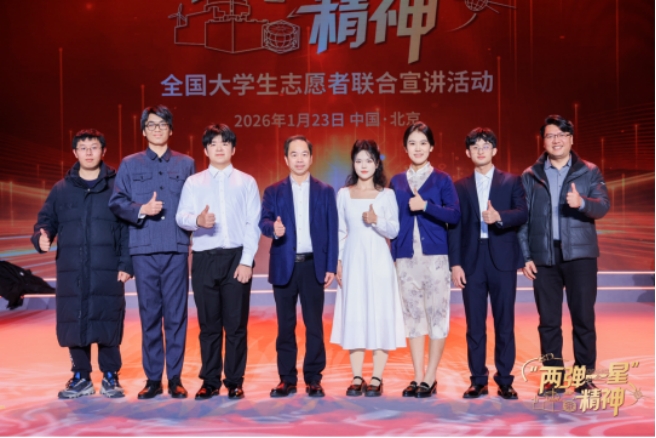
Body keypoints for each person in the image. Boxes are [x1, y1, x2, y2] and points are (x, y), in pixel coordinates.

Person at [31, 129, 132, 399]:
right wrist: (41, 236)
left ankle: (110, 376)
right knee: (74, 320)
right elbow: (45, 222)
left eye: (94, 147)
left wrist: (126, 263)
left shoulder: (117, 187)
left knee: (108, 320)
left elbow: (126, 228)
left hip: (107, 269)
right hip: (72, 270)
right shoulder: (61, 189)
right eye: (83, 147)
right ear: (75, 152)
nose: (89, 152)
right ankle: (81, 376)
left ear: (103, 151)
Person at [518, 115, 610, 396]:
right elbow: (523, 219)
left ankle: (584, 377)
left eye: (561, 135)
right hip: (544, 258)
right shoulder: (530, 175)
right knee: (548, 322)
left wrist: (582, 202)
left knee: (583, 318)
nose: (555, 140)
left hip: (581, 256)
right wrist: (525, 256)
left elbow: (603, 206)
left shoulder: (589, 171)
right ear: (543, 141)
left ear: (570, 139)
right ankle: (553, 378)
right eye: (550, 135)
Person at [109, 105, 195, 399]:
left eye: (163, 124)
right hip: (143, 249)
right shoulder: (130, 164)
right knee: (149, 316)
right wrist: (141, 209)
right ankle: (153, 379)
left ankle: (175, 378)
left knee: (176, 316)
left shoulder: (186, 163)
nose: (157, 129)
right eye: (151, 125)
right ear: (144, 131)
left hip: (176, 247)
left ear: (171, 129)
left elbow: (194, 203)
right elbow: (116, 202)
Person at [176, 124, 261, 400]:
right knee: (209, 325)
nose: (219, 148)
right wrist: (197, 220)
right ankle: (210, 381)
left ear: (233, 148)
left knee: (236, 326)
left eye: (225, 143)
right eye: (213, 143)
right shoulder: (194, 182)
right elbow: (181, 216)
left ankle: (234, 381)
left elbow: (253, 224)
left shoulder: (247, 182)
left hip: (237, 258)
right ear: (205, 150)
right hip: (204, 259)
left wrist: (246, 261)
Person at [447, 127, 527, 400]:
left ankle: (505, 380)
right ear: (468, 152)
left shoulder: (511, 181)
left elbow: (522, 213)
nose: (480, 151)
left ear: (494, 150)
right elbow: (455, 227)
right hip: (471, 259)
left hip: (502, 259)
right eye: (475, 147)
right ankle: (478, 380)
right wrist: (455, 263)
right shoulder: (460, 186)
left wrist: (499, 217)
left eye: (485, 146)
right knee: (475, 324)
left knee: (505, 322)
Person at [259, 135, 338, 398]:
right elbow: (264, 222)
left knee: (314, 325)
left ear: (311, 158)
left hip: (313, 265)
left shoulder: (325, 191)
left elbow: (332, 230)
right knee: (285, 325)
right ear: (286, 159)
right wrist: (274, 228)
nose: (299, 159)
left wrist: (330, 265)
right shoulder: (273, 191)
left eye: (304, 154)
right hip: (284, 265)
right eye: (294, 154)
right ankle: (287, 378)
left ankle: (314, 378)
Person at [390, 121, 460, 398]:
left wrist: (426, 207)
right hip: (405, 259)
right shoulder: (396, 182)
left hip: (435, 259)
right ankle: (417, 375)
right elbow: (392, 221)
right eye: (412, 143)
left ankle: (431, 376)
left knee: (437, 316)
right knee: (413, 317)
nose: (417, 148)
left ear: (431, 147)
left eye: (422, 143)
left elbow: (455, 215)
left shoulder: (442, 179)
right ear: (405, 148)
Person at [331, 140, 405, 397]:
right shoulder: (343, 194)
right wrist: (338, 261)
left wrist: (376, 220)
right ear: (353, 163)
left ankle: (376, 377)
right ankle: (356, 376)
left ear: (376, 164)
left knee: (379, 313)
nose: (363, 165)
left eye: (369, 161)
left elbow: (394, 230)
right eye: (359, 160)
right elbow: (339, 231)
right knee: (355, 313)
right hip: (352, 260)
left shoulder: (387, 195)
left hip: (379, 262)